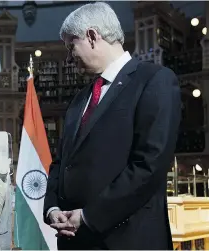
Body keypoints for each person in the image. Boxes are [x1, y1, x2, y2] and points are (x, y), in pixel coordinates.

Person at [43, 2, 181, 250]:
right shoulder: (80, 98)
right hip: (74, 241)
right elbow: (61, 162)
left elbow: (149, 165)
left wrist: (88, 216)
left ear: (92, 36)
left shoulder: (153, 81)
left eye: (71, 45)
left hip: (127, 240)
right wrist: (52, 208)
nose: (68, 56)